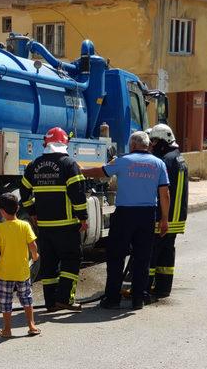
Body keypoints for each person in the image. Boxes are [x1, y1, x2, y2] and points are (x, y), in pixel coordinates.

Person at [82, 131, 170, 310]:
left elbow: (101, 172)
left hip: (124, 216)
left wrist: (80, 171)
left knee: (116, 257)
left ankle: (112, 298)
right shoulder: (158, 164)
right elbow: (165, 194)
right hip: (147, 215)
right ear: (147, 145)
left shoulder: (122, 161)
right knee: (142, 258)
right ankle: (138, 298)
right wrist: (165, 220)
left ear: (133, 145)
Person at [19, 127, 88, 312]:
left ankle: (50, 303)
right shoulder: (69, 164)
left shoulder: (34, 165)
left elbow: (24, 191)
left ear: (46, 143)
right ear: (65, 143)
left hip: (44, 226)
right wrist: (83, 218)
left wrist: (32, 211)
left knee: (48, 264)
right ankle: (65, 299)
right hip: (66, 225)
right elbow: (78, 194)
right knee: (71, 261)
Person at [0, 193, 41, 338]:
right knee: (27, 299)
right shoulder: (25, 225)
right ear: (17, 208)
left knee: (5, 302)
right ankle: (32, 326)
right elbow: (33, 245)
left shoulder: (0, 228)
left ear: (1, 211)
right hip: (22, 272)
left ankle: (7, 329)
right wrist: (35, 256)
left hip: (4, 273)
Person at [148, 124, 188, 298]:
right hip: (177, 217)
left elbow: (163, 192)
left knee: (152, 251)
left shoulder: (165, 161)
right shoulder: (178, 158)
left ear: (163, 141)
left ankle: (144, 288)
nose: (153, 144)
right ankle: (163, 288)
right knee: (166, 252)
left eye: (155, 141)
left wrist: (162, 216)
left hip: (164, 216)